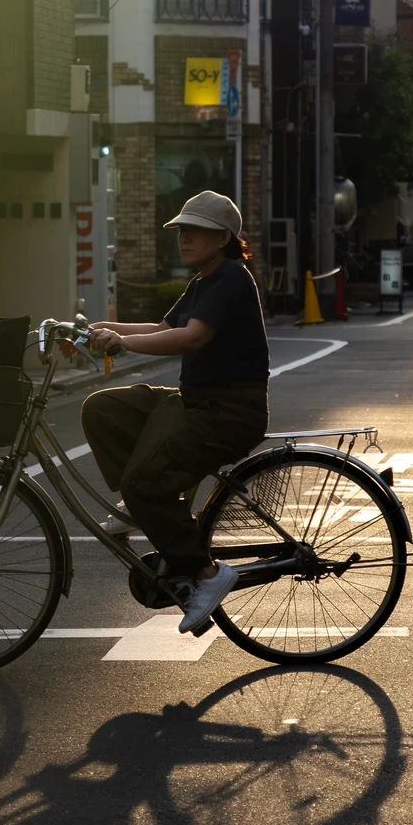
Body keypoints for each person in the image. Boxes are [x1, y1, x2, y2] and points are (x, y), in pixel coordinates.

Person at [80, 191, 270, 637]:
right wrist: (97, 329)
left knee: (143, 482)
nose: (183, 238)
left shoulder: (230, 277)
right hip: (197, 402)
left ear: (222, 237)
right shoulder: (205, 279)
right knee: (104, 408)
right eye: (181, 230)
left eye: (194, 230)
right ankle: (139, 506)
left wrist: (122, 343)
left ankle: (207, 574)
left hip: (229, 412)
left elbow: (191, 338)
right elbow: (164, 329)